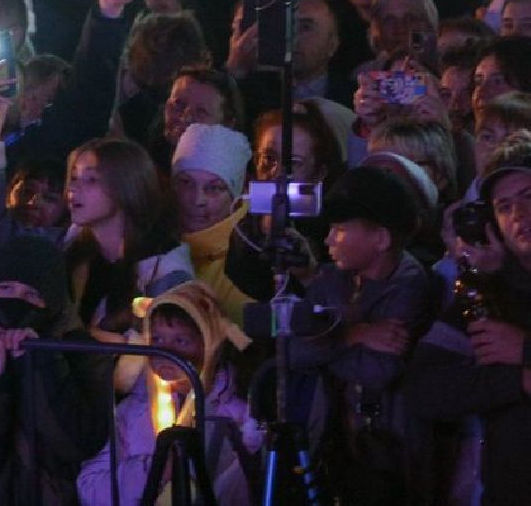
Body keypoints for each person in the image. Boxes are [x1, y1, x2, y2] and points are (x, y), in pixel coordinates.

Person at [290, 165, 438, 503]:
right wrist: (354, 335)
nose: (327, 240)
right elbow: (294, 352)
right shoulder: (334, 278)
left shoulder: (409, 284)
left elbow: (377, 371)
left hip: (391, 442)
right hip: (337, 434)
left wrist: (324, 346)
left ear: (381, 239)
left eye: (340, 230)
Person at [408, 136, 531, 504]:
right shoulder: (488, 296)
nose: (519, 214)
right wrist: (520, 381)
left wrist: (524, 348)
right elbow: (425, 389)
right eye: (504, 206)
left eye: (529, 196)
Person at [0, 236, 113, 504]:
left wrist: (39, 363)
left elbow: (75, 444)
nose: (17, 301)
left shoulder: (83, 353)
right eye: (5, 288)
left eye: (32, 294)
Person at [76, 281, 260, 505]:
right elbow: (90, 488)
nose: (164, 352)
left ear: (209, 344)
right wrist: (154, 470)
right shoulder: (133, 410)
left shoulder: (239, 418)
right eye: (156, 339)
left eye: (181, 341)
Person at [64, 137, 194, 344]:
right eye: (73, 178)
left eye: (91, 180)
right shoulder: (72, 249)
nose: (73, 189)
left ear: (125, 186)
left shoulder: (163, 270)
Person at [172, 123, 269, 323]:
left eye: (214, 188)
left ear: (237, 194)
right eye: (186, 182)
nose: (197, 199)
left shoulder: (253, 256)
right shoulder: (152, 248)